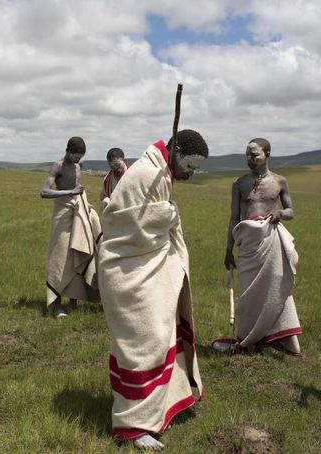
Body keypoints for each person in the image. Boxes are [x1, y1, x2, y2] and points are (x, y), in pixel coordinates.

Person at [97, 129, 207, 451]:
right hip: (128, 272)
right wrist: (170, 213)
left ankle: (153, 410)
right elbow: (134, 224)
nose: (191, 173)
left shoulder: (159, 172)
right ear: (175, 153)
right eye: (190, 166)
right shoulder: (148, 172)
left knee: (158, 337)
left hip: (143, 270)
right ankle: (132, 426)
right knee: (145, 342)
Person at [220, 138, 301, 354]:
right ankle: (248, 337)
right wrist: (229, 249)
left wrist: (280, 213)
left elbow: (291, 211)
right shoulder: (239, 183)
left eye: (255, 155)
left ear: (267, 155)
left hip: (270, 241)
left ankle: (274, 337)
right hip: (247, 245)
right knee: (248, 292)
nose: (250, 159)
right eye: (247, 154)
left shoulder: (279, 182)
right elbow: (234, 217)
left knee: (273, 288)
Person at [40, 137, 100, 318]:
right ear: (67, 151)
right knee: (59, 257)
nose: (77, 160)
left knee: (78, 252)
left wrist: (82, 201)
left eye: (79, 157)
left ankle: (74, 299)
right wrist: (70, 193)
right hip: (61, 215)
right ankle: (56, 304)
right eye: (75, 156)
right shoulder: (57, 166)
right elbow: (44, 191)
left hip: (77, 212)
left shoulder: (79, 165)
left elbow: (77, 186)